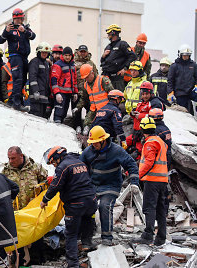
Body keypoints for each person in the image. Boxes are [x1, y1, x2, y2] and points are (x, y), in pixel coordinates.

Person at [80, 126, 139, 246]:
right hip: (93, 184)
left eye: (96, 143)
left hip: (111, 185)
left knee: (104, 206)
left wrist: (134, 182)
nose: (93, 145)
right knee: (86, 206)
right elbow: (80, 166)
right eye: (92, 143)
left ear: (103, 141)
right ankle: (86, 236)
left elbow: (131, 164)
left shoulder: (116, 151)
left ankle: (107, 237)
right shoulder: (89, 151)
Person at [40, 146, 97, 267]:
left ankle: (73, 264)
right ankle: (87, 246)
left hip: (75, 204)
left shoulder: (63, 166)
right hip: (91, 200)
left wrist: (45, 199)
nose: (54, 165)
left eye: (53, 162)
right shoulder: (79, 161)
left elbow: (55, 186)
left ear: (57, 157)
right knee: (87, 222)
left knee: (70, 234)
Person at [134, 117, 168, 246]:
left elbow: (149, 161)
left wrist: (138, 175)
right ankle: (161, 238)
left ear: (142, 129)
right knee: (160, 209)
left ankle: (148, 235)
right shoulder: (160, 141)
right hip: (162, 179)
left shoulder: (150, 143)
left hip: (152, 180)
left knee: (149, 207)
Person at [0, 8, 36, 111]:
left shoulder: (25, 28)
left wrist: (25, 32)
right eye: (17, 18)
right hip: (15, 56)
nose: (19, 20)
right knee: (18, 79)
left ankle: (12, 101)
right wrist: (6, 32)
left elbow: (33, 36)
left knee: (23, 79)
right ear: (13, 18)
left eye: (20, 18)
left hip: (24, 57)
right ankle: (16, 103)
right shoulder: (9, 28)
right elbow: (0, 40)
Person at [78, 63, 113, 135]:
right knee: (86, 123)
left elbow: (112, 94)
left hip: (106, 108)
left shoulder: (102, 80)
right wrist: (77, 107)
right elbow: (84, 98)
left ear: (92, 73)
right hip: (94, 109)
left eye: (87, 77)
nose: (86, 79)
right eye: (85, 78)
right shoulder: (86, 85)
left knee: (105, 126)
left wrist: (111, 108)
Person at [100, 24, 137, 91]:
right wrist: (103, 56)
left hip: (117, 79)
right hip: (107, 77)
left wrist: (125, 68)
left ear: (113, 33)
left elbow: (133, 56)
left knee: (118, 97)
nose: (108, 36)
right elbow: (102, 62)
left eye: (109, 34)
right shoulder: (108, 46)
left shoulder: (122, 44)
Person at [74, 45, 98, 133]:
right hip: (77, 91)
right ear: (78, 52)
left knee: (90, 110)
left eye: (84, 51)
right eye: (81, 51)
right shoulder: (73, 62)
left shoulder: (91, 63)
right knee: (76, 110)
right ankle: (77, 126)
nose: (83, 53)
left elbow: (96, 76)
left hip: (89, 92)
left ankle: (88, 127)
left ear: (87, 52)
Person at [51, 46, 78, 123]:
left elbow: (75, 80)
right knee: (58, 114)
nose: (67, 57)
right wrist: (57, 93)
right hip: (61, 93)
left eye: (69, 55)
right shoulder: (58, 65)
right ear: (63, 55)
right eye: (65, 55)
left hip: (69, 94)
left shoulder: (73, 65)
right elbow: (54, 80)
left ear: (71, 56)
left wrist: (75, 92)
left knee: (64, 114)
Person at [167, 44, 197, 114]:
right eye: (184, 55)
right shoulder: (174, 66)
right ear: (180, 54)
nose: (186, 57)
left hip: (191, 92)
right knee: (183, 113)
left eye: (187, 55)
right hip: (180, 94)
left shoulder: (193, 65)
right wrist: (170, 92)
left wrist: (196, 86)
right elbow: (170, 81)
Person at [28, 42, 52, 118]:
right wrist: (35, 91)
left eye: (46, 53)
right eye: (43, 52)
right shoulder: (34, 62)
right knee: (35, 117)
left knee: (43, 117)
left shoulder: (46, 63)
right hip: (36, 96)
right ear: (39, 52)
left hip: (44, 97)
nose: (45, 54)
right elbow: (32, 76)